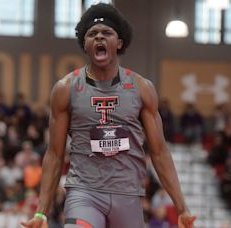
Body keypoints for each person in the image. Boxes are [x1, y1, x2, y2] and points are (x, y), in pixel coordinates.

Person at [21, 3, 195, 228]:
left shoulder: (141, 88)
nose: (99, 37)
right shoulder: (66, 88)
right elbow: (54, 154)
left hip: (127, 194)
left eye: (107, 33)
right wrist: (41, 213)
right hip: (84, 192)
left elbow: (160, 152)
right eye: (92, 34)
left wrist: (181, 207)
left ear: (119, 43)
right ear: (85, 44)